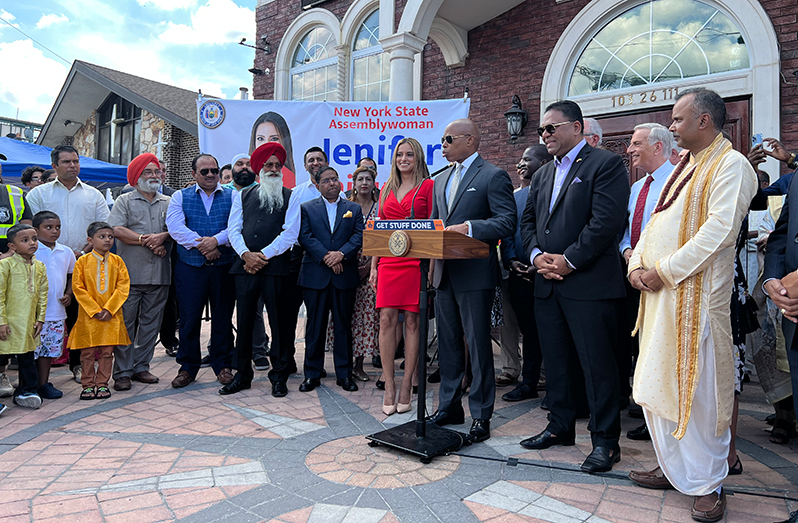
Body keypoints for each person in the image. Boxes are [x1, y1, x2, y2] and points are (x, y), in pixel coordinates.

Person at [628, 88, 757, 522]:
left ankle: (707, 484)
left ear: (704, 121)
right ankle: (675, 469)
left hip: (697, 305)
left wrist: (661, 270)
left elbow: (719, 232)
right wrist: (636, 262)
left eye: (679, 119)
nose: (672, 126)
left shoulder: (730, 165)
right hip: (661, 301)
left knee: (699, 396)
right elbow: (658, 220)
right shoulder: (685, 166)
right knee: (658, 386)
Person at [519, 100, 629, 474]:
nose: (545, 135)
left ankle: (604, 442)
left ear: (577, 128)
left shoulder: (606, 164)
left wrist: (569, 260)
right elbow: (528, 222)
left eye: (552, 128)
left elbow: (606, 222)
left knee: (597, 366)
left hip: (588, 285)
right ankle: (560, 427)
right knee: (557, 362)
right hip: (547, 284)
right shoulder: (542, 174)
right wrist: (536, 256)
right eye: (542, 130)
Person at [428, 119, 516, 443]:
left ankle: (481, 413)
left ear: (470, 139)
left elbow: (507, 221)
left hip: (475, 275)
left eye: (448, 138)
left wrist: (470, 227)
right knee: (447, 344)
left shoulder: (493, 176)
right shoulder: (440, 180)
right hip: (444, 274)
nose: (443, 143)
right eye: (442, 138)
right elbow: (438, 224)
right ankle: (450, 406)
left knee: (478, 346)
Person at [27, 144, 110, 384]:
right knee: (38, 314)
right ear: (54, 166)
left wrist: (82, 251)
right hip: (43, 264)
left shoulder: (93, 195)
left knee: (77, 316)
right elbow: (28, 226)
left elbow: (102, 228)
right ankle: (33, 373)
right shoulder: (39, 194)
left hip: (83, 263)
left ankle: (77, 365)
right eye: (66, 162)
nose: (73, 166)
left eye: (75, 161)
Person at [222, 142, 299, 397]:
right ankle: (242, 375)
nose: (274, 169)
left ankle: (279, 376)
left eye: (278, 165)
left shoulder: (291, 196)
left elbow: (290, 233)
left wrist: (262, 255)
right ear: (260, 168)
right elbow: (233, 229)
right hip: (245, 267)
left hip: (275, 267)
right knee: (244, 323)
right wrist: (246, 254)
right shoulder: (243, 195)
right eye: (269, 165)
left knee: (280, 323)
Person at [618, 123, 675, 442]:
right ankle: (647, 411)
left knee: (662, 350)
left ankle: (664, 419)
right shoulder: (637, 188)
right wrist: (627, 252)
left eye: (636, 143)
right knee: (640, 348)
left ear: (657, 147)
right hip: (633, 278)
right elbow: (627, 229)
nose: (629, 149)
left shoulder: (680, 182)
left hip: (665, 281)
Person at [369, 138, 433, 415]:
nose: (403, 159)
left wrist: (430, 266)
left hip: (415, 263)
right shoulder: (385, 189)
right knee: (386, 320)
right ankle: (390, 384)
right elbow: (380, 232)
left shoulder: (428, 187)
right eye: (399, 154)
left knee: (413, 323)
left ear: (418, 157)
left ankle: (408, 383)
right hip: (388, 263)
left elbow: (432, 227)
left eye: (409, 154)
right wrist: (373, 266)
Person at [165, 154, 236, 389]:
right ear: (194, 174)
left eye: (214, 171)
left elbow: (236, 226)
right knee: (188, 318)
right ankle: (187, 367)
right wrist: (204, 245)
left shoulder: (233, 195)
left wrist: (215, 241)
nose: (210, 175)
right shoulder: (179, 196)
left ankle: (223, 365)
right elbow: (175, 228)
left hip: (223, 266)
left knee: (223, 318)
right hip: (190, 267)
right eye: (204, 171)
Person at [108, 153, 172, 391]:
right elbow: (116, 230)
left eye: (157, 171)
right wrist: (147, 240)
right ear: (136, 177)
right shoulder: (124, 200)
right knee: (125, 324)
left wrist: (163, 237)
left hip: (160, 274)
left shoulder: (169, 201)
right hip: (130, 276)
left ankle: (141, 367)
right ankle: (122, 372)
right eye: (148, 172)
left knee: (150, 324)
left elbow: (176, 229)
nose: (154, 176)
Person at [298, 166, 364, 393]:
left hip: (344, 276)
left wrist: (341, 255)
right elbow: (305, 237)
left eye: (334, 179)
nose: (332, 183)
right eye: (326, 181)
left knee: (343, 326)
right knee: (315, 327)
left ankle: (344, 374)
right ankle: (312, 374)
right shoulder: (307, 208)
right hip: (316, 276)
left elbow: (359, 236)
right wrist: (327, 257)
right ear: (317, 186)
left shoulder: (353, 208)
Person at [500, 144, 552, 403]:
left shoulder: (554, 191)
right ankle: (528, 382)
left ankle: (554, 385)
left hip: (550, 273)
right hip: (520, 274)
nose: (520, 163)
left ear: (543, 163)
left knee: (551, 332)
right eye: (520, 158)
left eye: (526, 159)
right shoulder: (514, 197)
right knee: (529, 332)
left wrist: (540, 263)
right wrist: (510, 260)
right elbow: (509, 232)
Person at [68, 222, 131, 401]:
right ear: (90, 240)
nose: (107, 240)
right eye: (102, 237)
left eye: (110, 237)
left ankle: (102, 383)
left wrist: (109, 309)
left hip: (111, 316)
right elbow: (78, 287)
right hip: (89, 316)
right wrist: (95, 310)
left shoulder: (117, 261)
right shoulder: (82, 261)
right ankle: (87, 385)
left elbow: (123, 287)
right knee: (87, 353)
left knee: (106, 352)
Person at [284, 147, 334, 375]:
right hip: (298, 258)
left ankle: (315, 365)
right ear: (305, 166)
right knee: (290, 312)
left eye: (319, 159)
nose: (315, 163)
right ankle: (288, 360)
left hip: (324, 262)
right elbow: (293, 230)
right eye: (311, 160)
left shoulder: (338, 195)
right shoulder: (295, 193)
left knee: (316, 316)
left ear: (326, 162)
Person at [220, 153, 271, 371]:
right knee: (223, 308)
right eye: (238, 164)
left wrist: (252, 256)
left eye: (248, 164)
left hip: (255, 260)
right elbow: (229, 227)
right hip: (224, 258)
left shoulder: (265, 191)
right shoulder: (223, 193)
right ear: (232, 169)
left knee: (254, 309)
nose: (243, 168)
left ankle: (258, 350)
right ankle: (222, 349)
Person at [329, 166, 379, 382]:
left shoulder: (379, 209)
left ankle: (359, 365)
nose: (364, 182)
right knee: (344, 317)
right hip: (345, 266)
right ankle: (343, 363)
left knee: (365, 319)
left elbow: (381, 240)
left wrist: (368, 268)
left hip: (371, 271)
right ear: (354, 183)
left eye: (368, 179)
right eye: (360, 179)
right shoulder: (346, 207)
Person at [0, 224, 48, 409]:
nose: (32, 243)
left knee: (27, 358)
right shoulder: (5, 265)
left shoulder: (39, 266)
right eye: (25, 240)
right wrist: (1, 322)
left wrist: (40, 318)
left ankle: (26, 391)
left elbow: (43, 294)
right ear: (12, 246)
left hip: (28, 323)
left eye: (34, 239)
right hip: (7, 322)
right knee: (1, 357)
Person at [33, 211, 76, 400]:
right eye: (48, 227)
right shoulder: (30, 250)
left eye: (58, 227)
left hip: (56, 312)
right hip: (33, 314)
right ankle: (28, 384)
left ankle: (43, 383)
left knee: (48, 351)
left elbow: (71, 275)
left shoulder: (65, 252)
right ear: (36, 230)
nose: (54, 231)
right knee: (30, 351)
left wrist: (68, 294)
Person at [249, 112, 296, 188]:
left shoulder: (284, 174)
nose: (266, 144)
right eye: (260, 139)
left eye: (274, 139)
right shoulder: (247, 172)